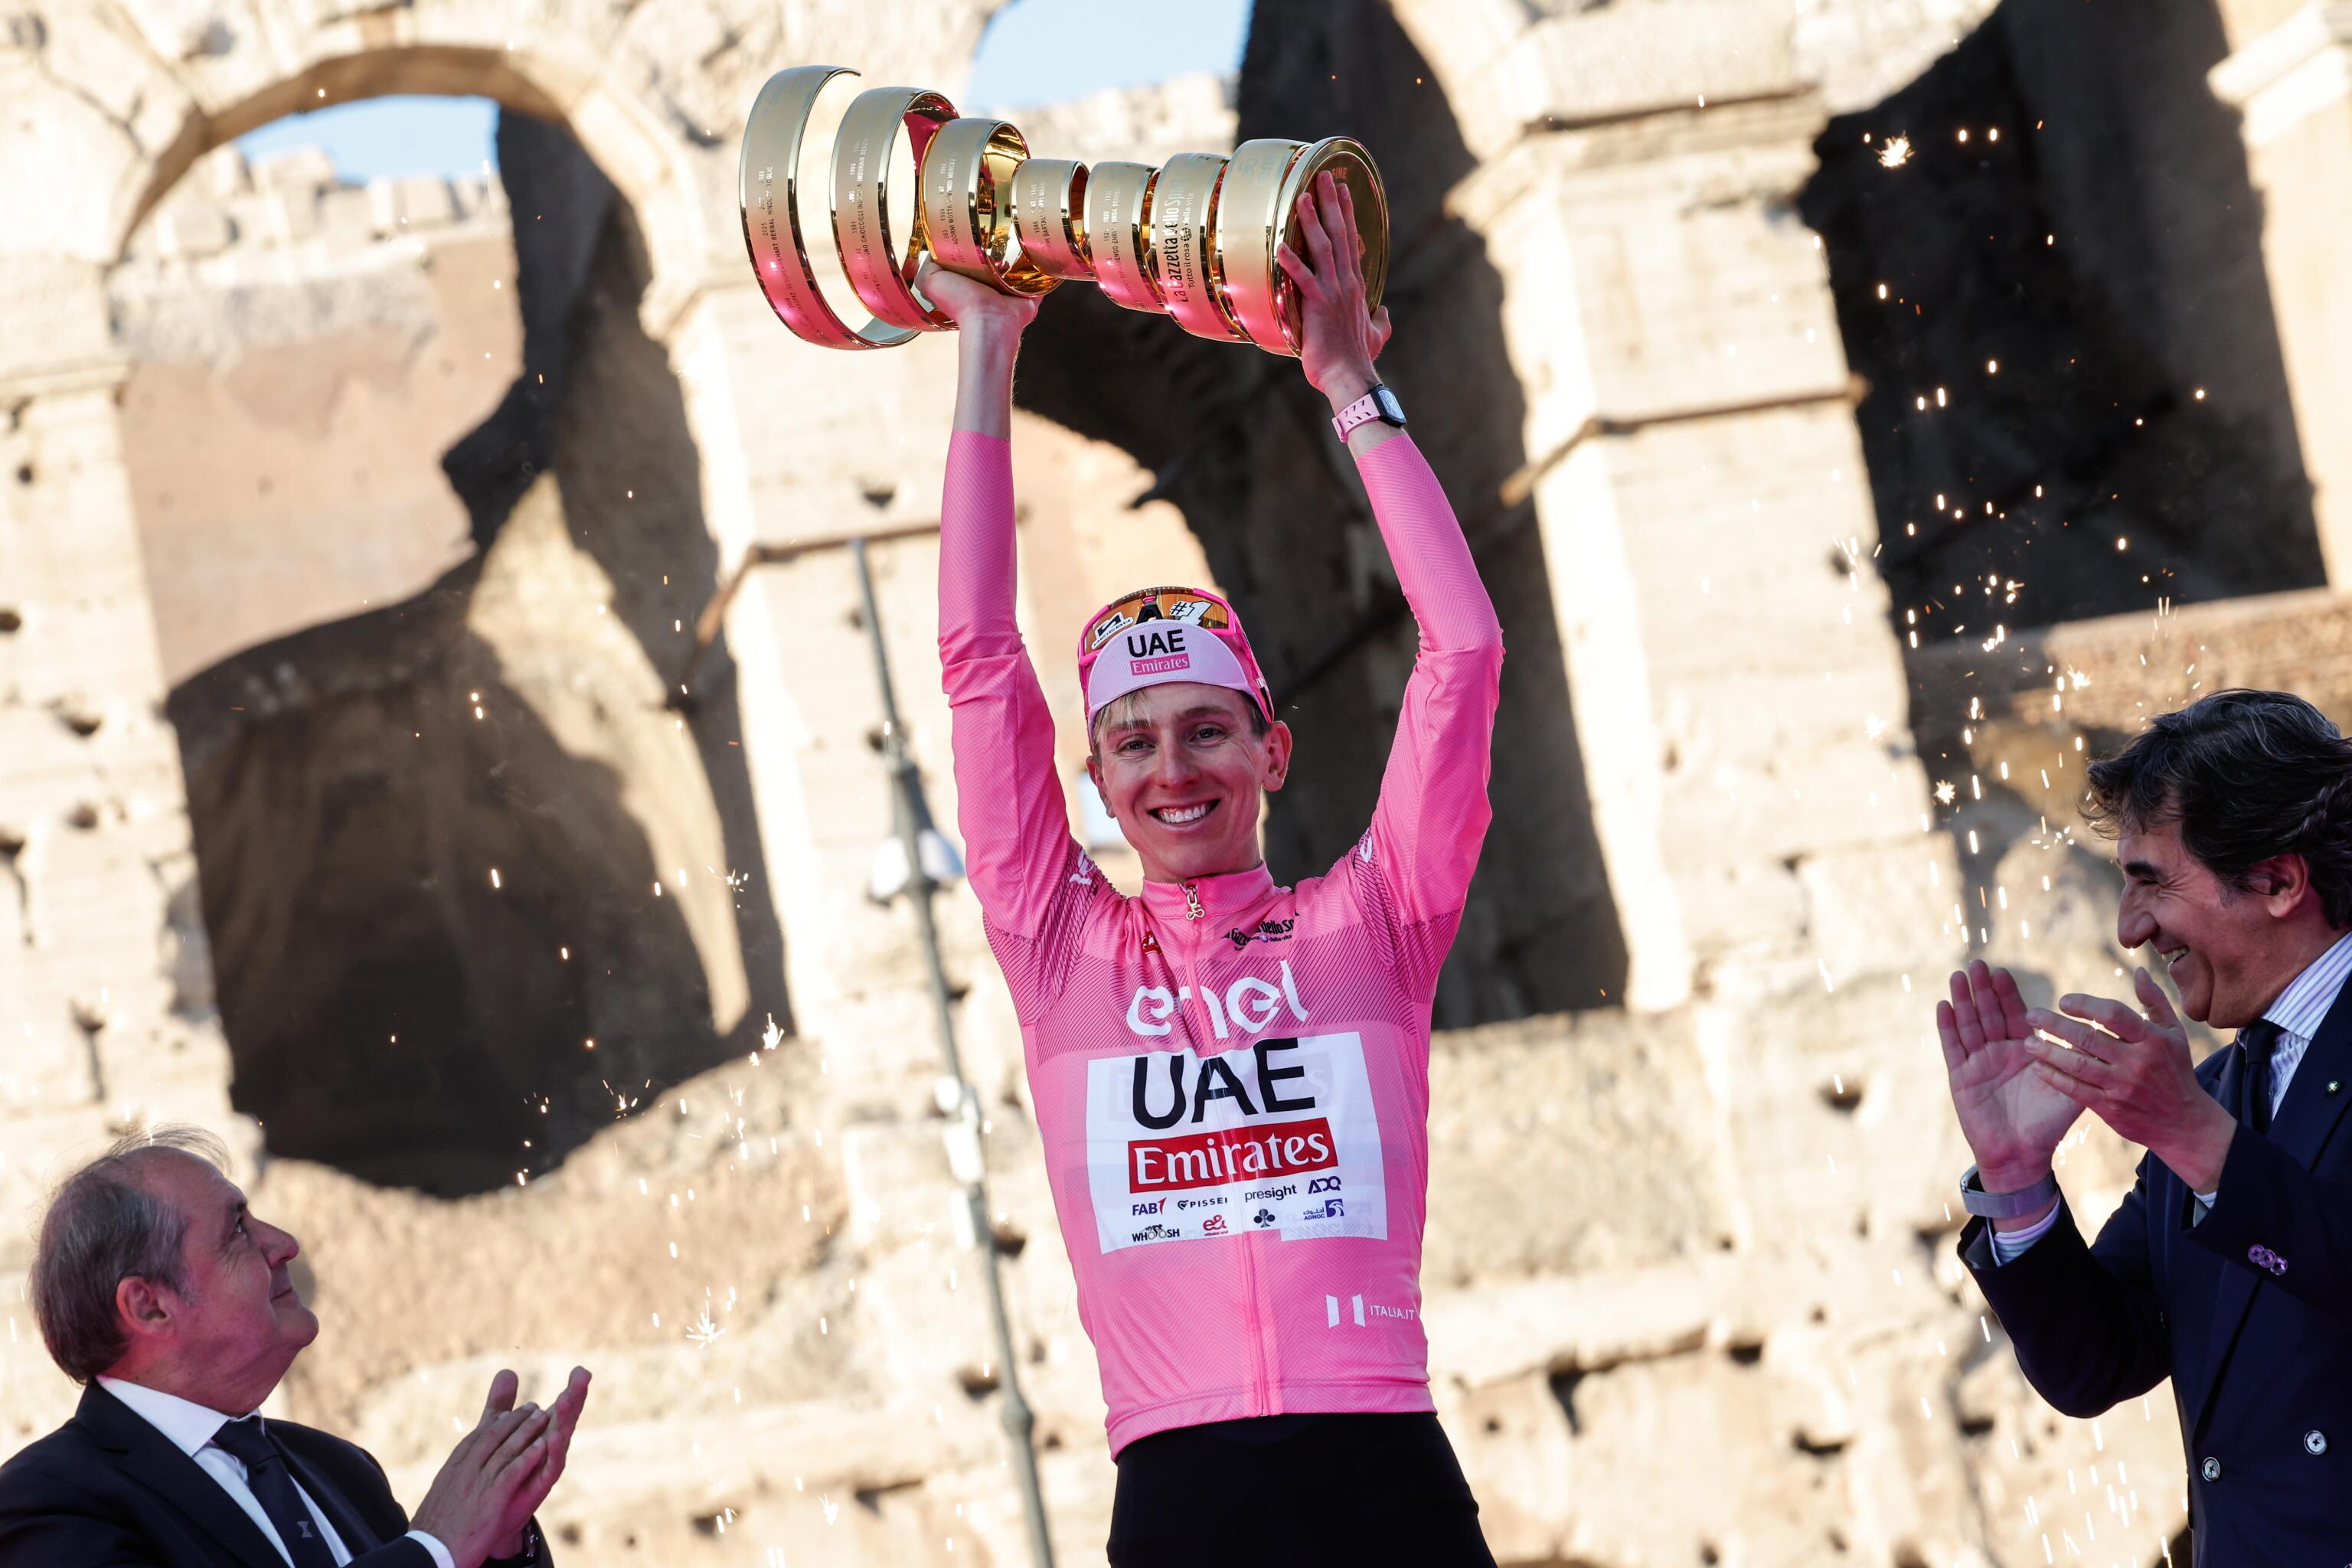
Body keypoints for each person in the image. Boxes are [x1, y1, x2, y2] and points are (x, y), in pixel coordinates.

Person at [925, 170, 1504, 1565]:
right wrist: (987, 355)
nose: (1171, 769)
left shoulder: (1375, 918)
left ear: (1273, 753)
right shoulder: (1060, 947)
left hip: (1380, 1461)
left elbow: (1464, 654)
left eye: (1204, 732)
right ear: (1098, 781)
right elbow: (978, 664)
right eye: (1131, 744)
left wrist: (1351, 387)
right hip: (1181, 1489)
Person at [1933, 689, 2352, 1566]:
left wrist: (2200, 1141)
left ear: (2278, 881)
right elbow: (2097, 1364)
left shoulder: (2198, 1114)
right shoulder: (2216, 1091)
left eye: (2150, 881)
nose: (2130, 928)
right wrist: (2015, 1180)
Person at [0, 1126, 590, 1567]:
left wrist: (499, 1542)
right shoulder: (46, 1504)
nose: (284, 1244)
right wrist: (432, 1549)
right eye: (237, 1230)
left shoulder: (339, 1469)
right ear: (149, 1305)